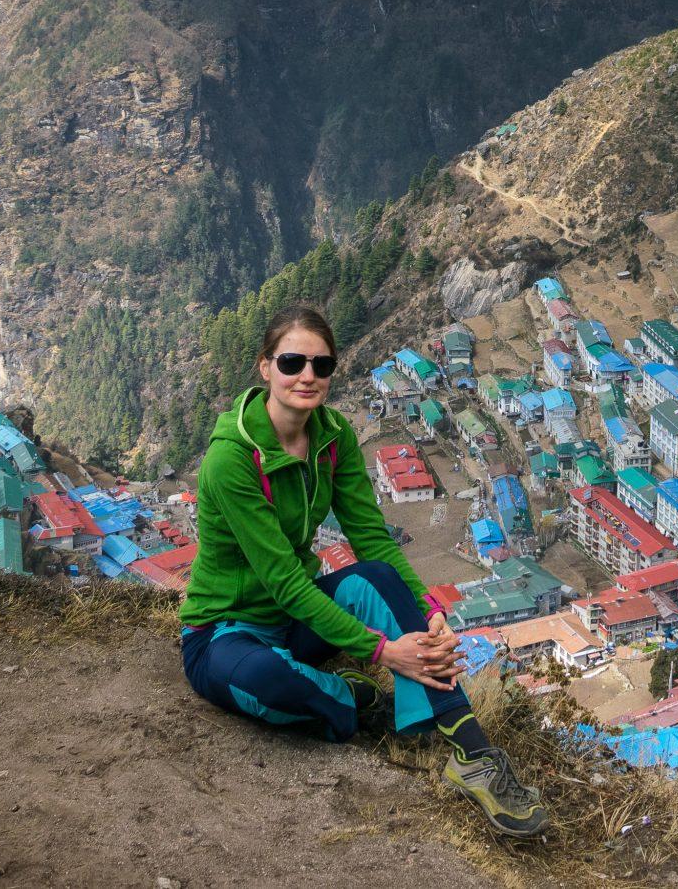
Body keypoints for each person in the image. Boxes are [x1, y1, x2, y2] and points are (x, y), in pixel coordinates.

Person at [179, 304, 549, 840]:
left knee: (375, 573)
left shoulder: (333, 438)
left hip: (295, 620)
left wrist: (430, 612)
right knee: (265, 680)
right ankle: (352, 698)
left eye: (321, 365)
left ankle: (473, 754)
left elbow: (372, 538)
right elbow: (282, 579)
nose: (307, 375)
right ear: (265, 367)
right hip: (224, 632)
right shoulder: (232, 459)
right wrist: (381, 652)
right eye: (292, 362)